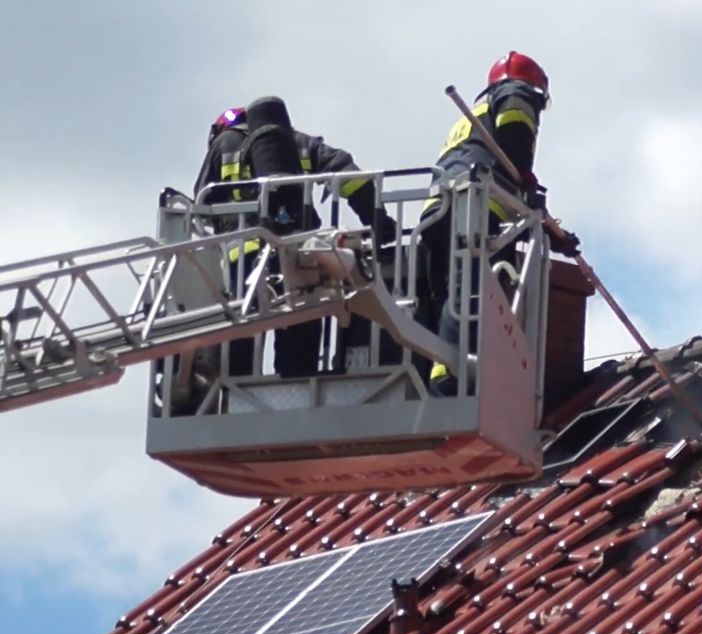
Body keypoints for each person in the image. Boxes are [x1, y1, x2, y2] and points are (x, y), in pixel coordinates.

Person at [194, 96, 397, 377]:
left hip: (243, 258)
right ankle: (298, 379)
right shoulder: (298, 141)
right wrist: (377, 219)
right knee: (301, 319)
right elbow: (348, 174)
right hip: (299, 253)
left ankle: (234, 389)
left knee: (242, 328)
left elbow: (201, 207)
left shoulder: (222, 145)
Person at [420, 51, 576, 396]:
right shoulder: (516, 94)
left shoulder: (474, 116)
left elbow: (499, 163)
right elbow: (515, 140)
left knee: (449, 292)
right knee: (472, 288)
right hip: (476, 204)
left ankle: (439, 372)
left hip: (439, 209)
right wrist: (525, 177)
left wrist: (553, 234)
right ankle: (453, 376)